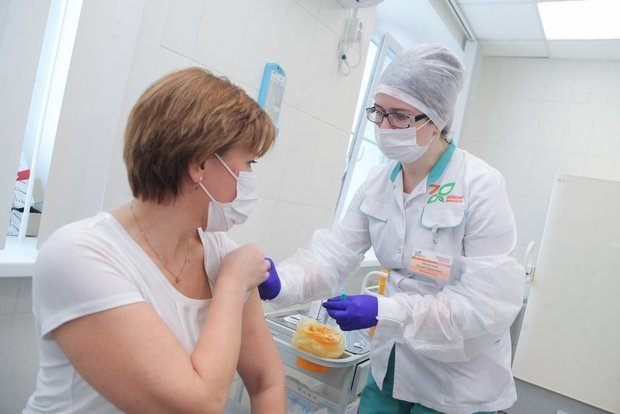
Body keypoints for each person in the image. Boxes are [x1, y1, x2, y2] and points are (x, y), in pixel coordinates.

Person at [258, 43, 525, 414]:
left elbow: (485, 305)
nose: (383, 127)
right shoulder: (377, 182)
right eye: (379, 112)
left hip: (457, 379)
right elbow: (333, 256)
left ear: (438, 119)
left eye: (399, 116)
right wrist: (281, 282)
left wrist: (386, 310)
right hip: (392, 364)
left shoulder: (479, 185)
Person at [24, 68, 287, 414]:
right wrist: (232, 284)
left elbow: (267, 382)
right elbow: (199, 405)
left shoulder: (223, 254)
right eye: (249, 162)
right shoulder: (78, 256)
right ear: (200, 164)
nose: (251, 178)